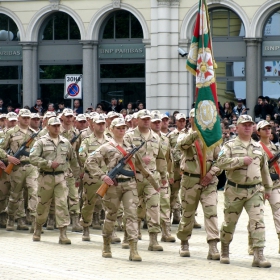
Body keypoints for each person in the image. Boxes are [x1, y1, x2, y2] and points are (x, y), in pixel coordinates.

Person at [85, 117, 159, 261]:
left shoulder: (130, 146)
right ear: (111, 129)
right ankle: (106, 244)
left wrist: (154, 183)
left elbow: (140, 166)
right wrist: (102, 176)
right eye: (118, 128)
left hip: (130, 184)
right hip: (113, 186)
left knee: (131, 215)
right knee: (111, 215)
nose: (121, 130)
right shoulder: (106, 147)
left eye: (124, 128)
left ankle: (133, 249)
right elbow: (90, 161)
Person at [217, 114, 272, 268]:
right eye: (244, 124)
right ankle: (225, 249)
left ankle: (258, 254)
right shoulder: (229, 146)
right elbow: (220, 163)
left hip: (255, 191)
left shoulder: (258, 147)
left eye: (250, 124)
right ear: (237, 127)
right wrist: (240, 161)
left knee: (258, 222)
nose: (248, 127)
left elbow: (264, 170)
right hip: (234, 191)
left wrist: (267, 188)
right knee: (229, 223)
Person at [176, 108, 221, 260]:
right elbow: (182, 146)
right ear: (190, 120)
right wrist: (197, 132)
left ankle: (213, 244)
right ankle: (184, 242)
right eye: (195, 119)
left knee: (211, 212)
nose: (198, 122)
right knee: (188, 213)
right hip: (190, 180)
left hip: (209, 182)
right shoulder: (184, 135)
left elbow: (220, 160)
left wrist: (211, 173)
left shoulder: (213, 138)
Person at [30, 117, 79, 244]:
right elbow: (33, 158)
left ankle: (63, 233)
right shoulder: (41, 142)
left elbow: (73, 160)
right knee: (42, 204)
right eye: (54, 126)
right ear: (48, 127)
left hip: (61, 177)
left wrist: (77, 175)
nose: (57, 128)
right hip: (45, 177)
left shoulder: (65, 142)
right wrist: (48, 163)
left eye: (58, 126)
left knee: (62, 204)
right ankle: (38, 228)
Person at [125, 109, 167, 251]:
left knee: (154, 208)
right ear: (136, 120)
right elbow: (124, 157)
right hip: (134, 177)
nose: (147, 121)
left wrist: (163, 177)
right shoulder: (129, 136)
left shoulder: (156, 137)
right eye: (144, 119)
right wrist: (140, 161)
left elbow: (161, 158)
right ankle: (128, 236)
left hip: (152, 178)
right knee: (133, 208)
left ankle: (153, 240)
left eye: (148, 118)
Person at [0, 109, 38, 232]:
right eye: (24, 118)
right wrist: (8, 157)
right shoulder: (10, 132)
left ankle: (34, 220)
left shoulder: (34, 133)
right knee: (15, 195)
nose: (26, 120)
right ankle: (11, 218)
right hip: (16, 168)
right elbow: (1, 148)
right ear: (19, 118)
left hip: (31, 166)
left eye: (28, 118)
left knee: (34, 191)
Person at [79, 114, 109, 239]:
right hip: (91, 177)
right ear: (92, 125)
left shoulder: (110, 141)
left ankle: (109, 231)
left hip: (107, 177)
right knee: (89, 203)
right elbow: (82, 156)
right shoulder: (87, 141)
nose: (101, 126)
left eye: (103, 124)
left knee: (110, 204)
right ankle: (86, 227)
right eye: (99, 124)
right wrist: (95, 169)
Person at [150, 111, 175, 242]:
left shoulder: (165, 139)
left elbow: (168, 159)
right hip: (147, 177)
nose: (158, 124)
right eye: (154, 122)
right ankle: (134, 232)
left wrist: (170, 174)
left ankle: (166, 232)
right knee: (142, 206)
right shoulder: (145, 138)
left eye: (159, 122)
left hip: (162, 176)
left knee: (165, 203)